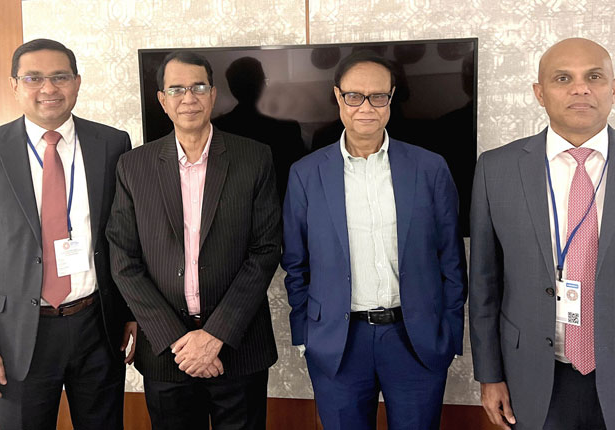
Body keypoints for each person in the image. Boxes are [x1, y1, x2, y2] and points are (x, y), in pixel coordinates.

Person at [469, 37, 615, 430]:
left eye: (594, 77)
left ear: (614, 88)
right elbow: (484, 284)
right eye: (563, 78)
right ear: (539, 93)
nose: (580, 88)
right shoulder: (496, 169)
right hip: (531, 380)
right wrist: (489, 375)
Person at [0, 38, 136, 429]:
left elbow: (127, 237)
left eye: (60, 77)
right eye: (33, 78)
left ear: (77, 83)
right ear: (14, 86)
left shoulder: (112, 144)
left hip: (97, 325)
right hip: (16, 336)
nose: (48, 88)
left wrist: (132, 312)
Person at [282, 50, 467, 430]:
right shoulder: (306, 174)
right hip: (338, 342)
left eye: (378, 96)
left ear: (391, 98)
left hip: (415, 340)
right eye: (354, 96)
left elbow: (451, 257)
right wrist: (305, 334)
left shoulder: (429, 168)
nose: (366, 107)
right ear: (338, 96)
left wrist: (448, 333)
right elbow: (296, 263)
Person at [106, 51, 281, 430]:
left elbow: (265, 250)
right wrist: (176, 340)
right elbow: (123, 258)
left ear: (213, 94)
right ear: (162, 99)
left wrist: (216, 334)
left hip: (239, 345)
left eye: (198, 87)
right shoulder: (134, 166)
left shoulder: (254, 158)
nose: (189, 98)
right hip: (168, 353)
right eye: (176, 89)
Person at [212, 56, 306, 203]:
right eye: (264, 80)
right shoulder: (287, 128)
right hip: (281, 207)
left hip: (233, 209)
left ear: (232, 89)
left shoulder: (217, 127)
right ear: (262, 84)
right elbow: (302, 177)